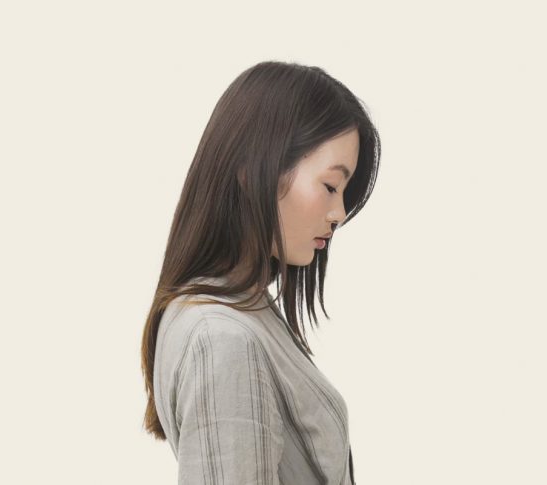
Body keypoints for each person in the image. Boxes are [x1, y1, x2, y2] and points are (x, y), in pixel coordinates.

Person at [140, 60, 381, 484]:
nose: (340, 213)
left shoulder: (236, 308)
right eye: (330, 186)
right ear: (253, 171)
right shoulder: (222, 338)